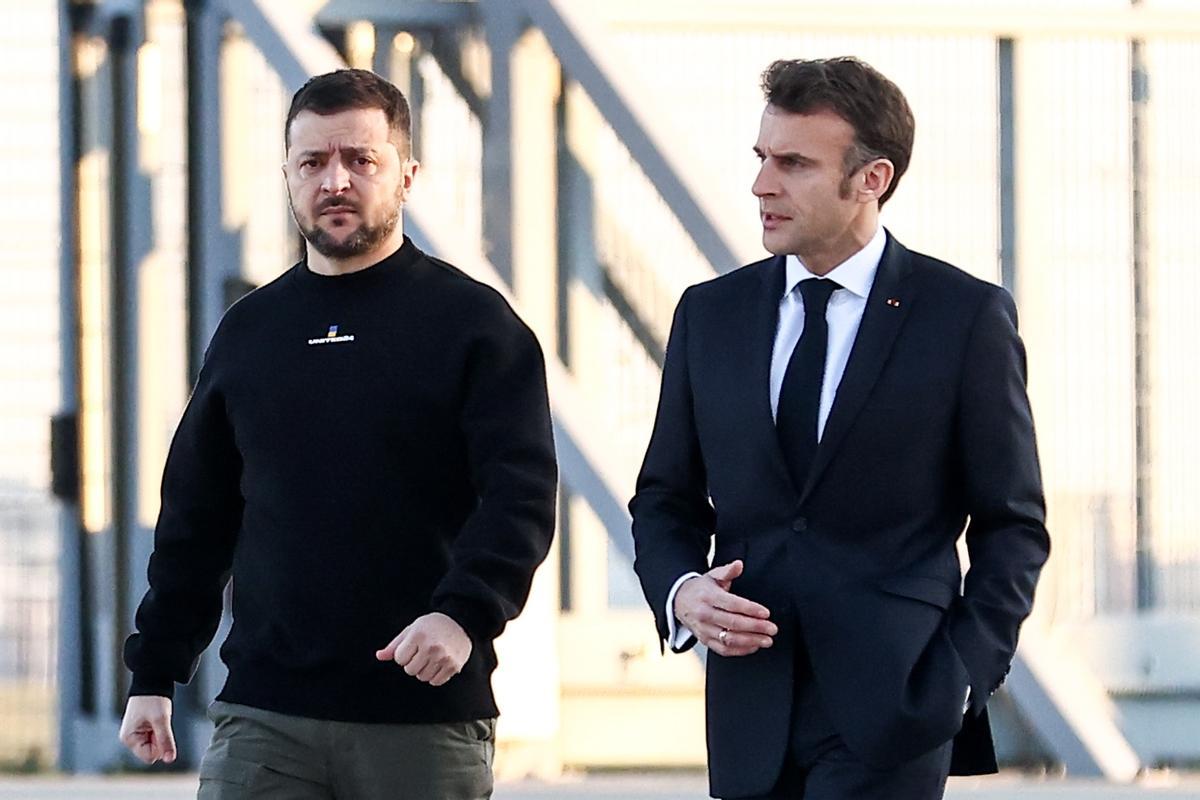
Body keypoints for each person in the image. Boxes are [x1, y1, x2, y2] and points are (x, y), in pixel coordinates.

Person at [118, 68, 557, 800]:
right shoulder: (250, 332)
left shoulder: (475, 326)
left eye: (362, 159)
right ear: (288, 175)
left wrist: (462, 614)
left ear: (406, 176)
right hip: (264, 717)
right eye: (313, 162)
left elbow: (520, 499)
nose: (336, 181)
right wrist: (155, 670)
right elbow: (197, 517)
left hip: (421, 717)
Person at [630, 57, 1049, 799]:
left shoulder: (962, 317)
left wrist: (961, 679)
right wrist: (682, 591)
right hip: (748, 710)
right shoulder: (710, 314)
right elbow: (665, 499)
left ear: (872, 179)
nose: (762, 184)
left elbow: (1012, 524)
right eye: (761, 158)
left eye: (793, 164)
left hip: (897, 705)